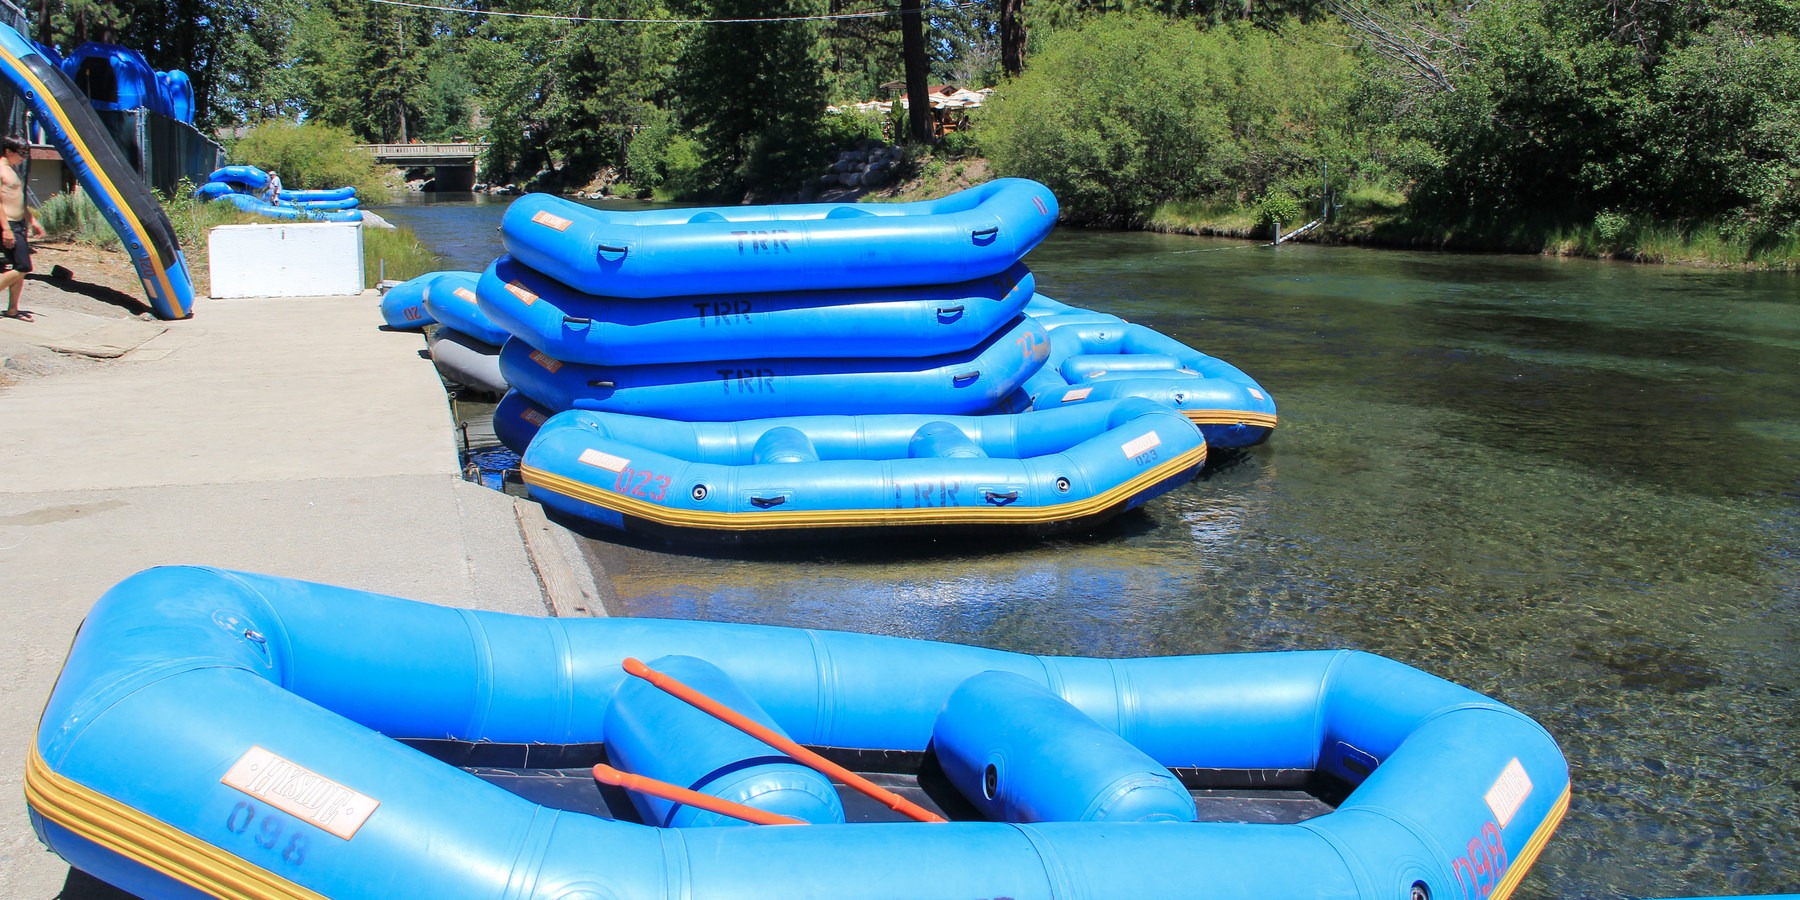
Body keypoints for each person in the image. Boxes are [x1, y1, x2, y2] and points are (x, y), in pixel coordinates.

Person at [0, 135, 45, 322]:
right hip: (7, 224)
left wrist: (32, 220)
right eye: (21, 154)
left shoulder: (12, 170)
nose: (23, 158)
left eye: (26, 154)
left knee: (19, 267)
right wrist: (6, 229)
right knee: (24, 267)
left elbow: (18, 199)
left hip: (18, 224)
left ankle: (12, 309)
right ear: (8, 151)